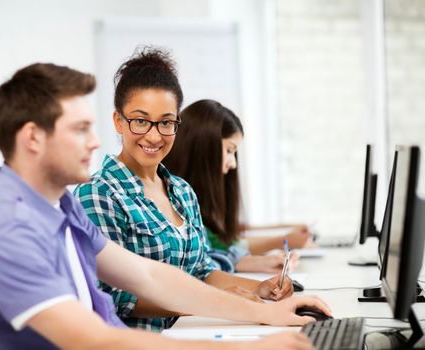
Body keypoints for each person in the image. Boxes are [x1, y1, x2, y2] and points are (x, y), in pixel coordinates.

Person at [0, 62, 325, 350]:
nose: (96, 142)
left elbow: (149, 277)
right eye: (80, 129)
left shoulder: (58, 206)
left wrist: (265, 313)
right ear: (33, 137)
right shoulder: (7, 229)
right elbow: (94, 341)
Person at [75, 47, 308, 331]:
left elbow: (202, 272)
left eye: (166, 122)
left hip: (193, 330)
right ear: (118, 121)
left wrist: (259, 288)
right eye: (140, 120)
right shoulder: (99, 194)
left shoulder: (183, 192)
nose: (153, 134)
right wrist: (219, 302)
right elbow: (116, 298)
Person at [163, 99, 312, 273]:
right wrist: (282, 241)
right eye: (229, 150)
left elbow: (217, 250)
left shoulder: (194, 197)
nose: (233, 163)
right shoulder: (172, 197)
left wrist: (257, 260)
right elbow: (209, 258)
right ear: (203, 148)